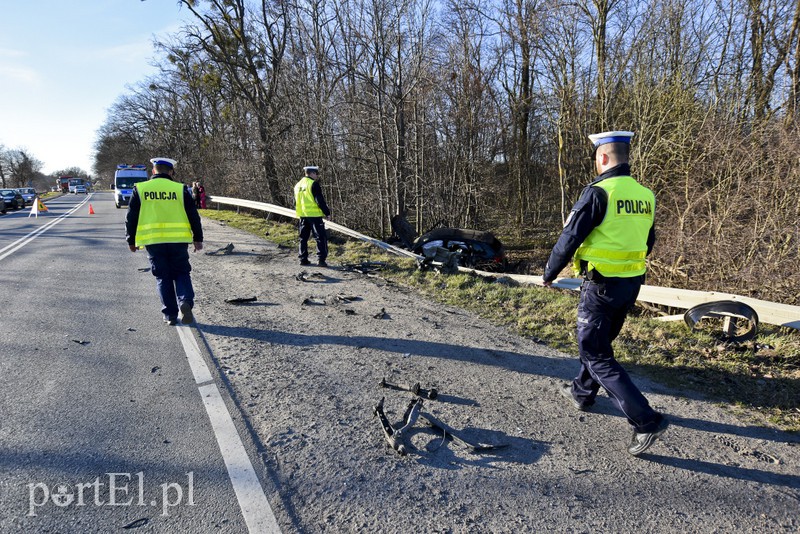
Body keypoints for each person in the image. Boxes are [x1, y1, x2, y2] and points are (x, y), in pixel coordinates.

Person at [542, 130, 668, 456]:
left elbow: (569, 237)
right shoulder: (645, 195)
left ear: (602, 158)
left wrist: (549, 274)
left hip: (601, 286)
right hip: (631, 283)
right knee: (600, 343)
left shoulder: (598, 193)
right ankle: (583, 392)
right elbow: (648, 241)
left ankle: (645, 421)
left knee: (595, 351)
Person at [125, 157, 204, 326]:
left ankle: (170, 315)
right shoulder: (180, 189)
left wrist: (130, 240)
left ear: (153, 171)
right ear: (171, 172)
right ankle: (185, 301)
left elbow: (131, 217)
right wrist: (198, 238)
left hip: (153, 242)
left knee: (163, 277)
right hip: (178, 240)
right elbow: (193, 216)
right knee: (182, 273)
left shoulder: (140, 188)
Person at [293, 165, 331, 267]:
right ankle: (321, 260)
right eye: (316, 174)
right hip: (314, 216)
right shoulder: (313, 184)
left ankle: (303, 259)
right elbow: (319, 200)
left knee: (303, 238)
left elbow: (295, 202)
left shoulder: (297, 185)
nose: (316, 176)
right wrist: (327, 212)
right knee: (320, 237)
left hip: (303, 215)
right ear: (312, 173)